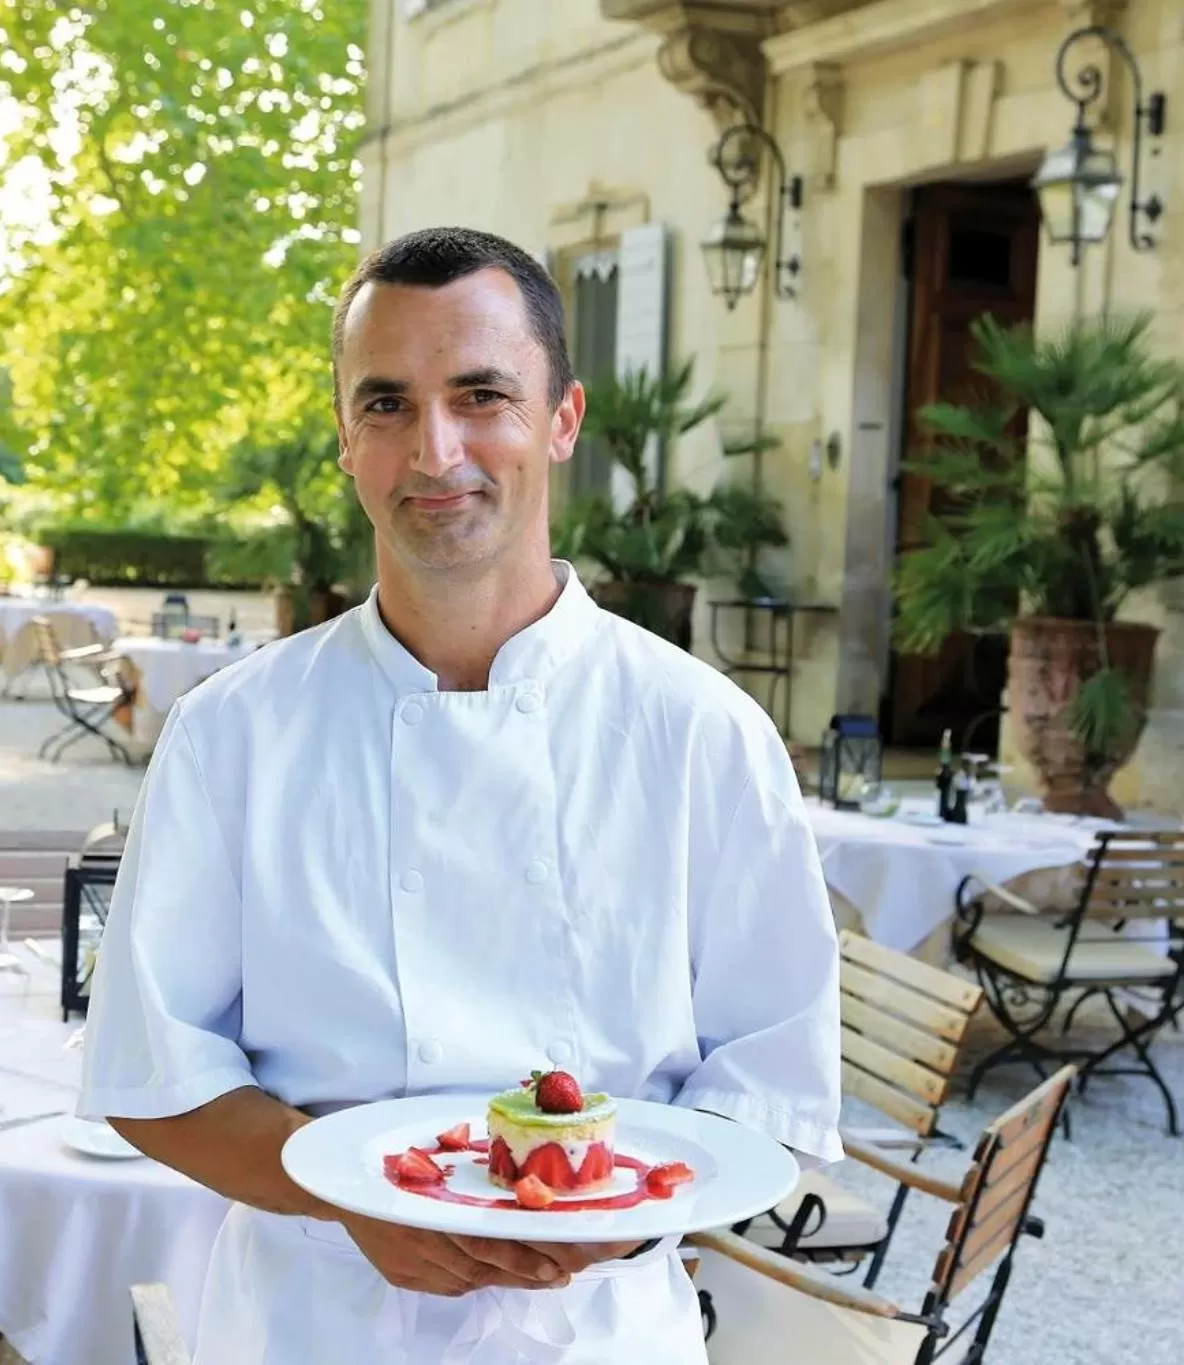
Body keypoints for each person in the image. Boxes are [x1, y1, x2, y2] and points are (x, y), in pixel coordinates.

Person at [78, 226, 845, 1364]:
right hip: (308, 1323)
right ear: (345, 438)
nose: (435, 451)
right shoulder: (233, 731)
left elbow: (772, 1079)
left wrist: (611, 1223)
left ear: (562, 420)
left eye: (481, 394)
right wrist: (347, 1200)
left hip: (598, 1336)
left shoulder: (697, 731)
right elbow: (151, 1073)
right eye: (386, 405)